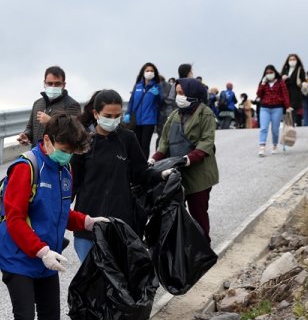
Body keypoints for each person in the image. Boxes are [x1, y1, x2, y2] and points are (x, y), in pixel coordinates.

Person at [0, 115, 104, 320]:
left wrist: (87, 221)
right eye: (64, 149)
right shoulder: (26, 167)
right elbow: (15, 218)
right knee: (24, 319)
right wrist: (41, 250)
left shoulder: (63, 168)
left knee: (50, 317)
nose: (67, 154)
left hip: (47, 258)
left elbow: (60, 212)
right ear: (46, 140)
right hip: (18, 257)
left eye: (72, 151)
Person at [71, 89, 150, 261]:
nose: (113, 120)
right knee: (89, 275)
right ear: (96, 114)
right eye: (108, 116)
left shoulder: (128, 139)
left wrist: (162, 175)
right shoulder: (84, 141)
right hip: (87, 224)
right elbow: (72, 183)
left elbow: (142, 176)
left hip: (120, 225)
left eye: (117, 116)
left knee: (119, 275)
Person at [148, 78, 219, 243]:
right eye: (177, 93)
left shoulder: (205, 113)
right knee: (175, 211)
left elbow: (206, 142)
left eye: (182, 93)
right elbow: (164, 143)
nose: (178, 96)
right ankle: (181, 246)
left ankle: (203, 246)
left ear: (192, 93)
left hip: (199, 173)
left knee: (198, 212)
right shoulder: (175, 115)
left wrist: (188, 159)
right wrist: (153, 159)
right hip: (177, 172)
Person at [17, 66, 81, 146]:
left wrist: (51, 122)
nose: (53, 87)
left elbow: (75, 134)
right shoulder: (37, 103)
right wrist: (26, 135)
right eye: (50, 83)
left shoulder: (71, 105)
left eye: (57, 84)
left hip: (57, 153)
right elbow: (30, 127)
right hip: (37, 151)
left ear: (64, 85)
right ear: (44, 83)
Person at [124, 62, 164, 157]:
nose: (149, 72)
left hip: (149, 120)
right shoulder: (137, 86)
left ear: (154, 73)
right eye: (147, 70)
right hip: (136, 120)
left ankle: (144, 164)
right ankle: (135, 163)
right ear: (143, 72)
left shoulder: (157, 86)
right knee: (136, 144)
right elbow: (131, 101)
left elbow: (161, 103)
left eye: (151, 71)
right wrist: (128, 113)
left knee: (145, 145)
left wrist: (157, 95)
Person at [255, 65, 292, 156]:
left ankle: (274, 145)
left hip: (277, 108)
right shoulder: (263, 82)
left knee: (275, 129)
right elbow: (259, 94)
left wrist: (287, 106)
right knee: (264, 128)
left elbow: (285, 94)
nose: (269, 74)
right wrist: (263, 83)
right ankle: (262, 147)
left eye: (271, 72)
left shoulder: (280, 82)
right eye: (267, 73)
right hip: (265, 108)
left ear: (275, 72)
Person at [280, 54, 306, 126]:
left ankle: (291, 127)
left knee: (292, 110)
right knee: (287, 110)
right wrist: (283, 78)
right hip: (286, 92)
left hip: (295, 92)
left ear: (297, 60)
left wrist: (304, 83)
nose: (292, 61)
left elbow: (303, 80)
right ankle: (287, 127)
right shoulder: (285, 69)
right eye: (290, 59)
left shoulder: (300, 69)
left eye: (294, 59)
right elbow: (279, 81)